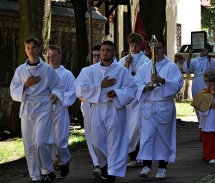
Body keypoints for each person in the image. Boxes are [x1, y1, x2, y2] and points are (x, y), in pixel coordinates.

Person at [75, 41, 137, 183]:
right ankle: (103, 166)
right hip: (96, 109)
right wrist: (99, 86)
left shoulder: (121, 71)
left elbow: (131, 88)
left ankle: (112, 173)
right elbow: (79, 88)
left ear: (113, 52)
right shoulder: (89, 71)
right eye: (103, 50)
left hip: (114, 109)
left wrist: (117, 93)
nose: (104, 53)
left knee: (114, 142)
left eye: (108, 50)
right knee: (96, 142)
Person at [10, 37, 64, 183]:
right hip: (27, 107)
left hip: (44, 107)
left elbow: (59, 86)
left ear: (39, 49)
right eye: (28, 48)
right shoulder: (20, 70)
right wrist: (25, 85)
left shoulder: (47, 69)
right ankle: (35, 176)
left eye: (33, 47)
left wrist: (55, 95)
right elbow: (13, 89)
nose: (31, 51)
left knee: (40, 142)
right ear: (25, 49)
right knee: (29, 144)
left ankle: (47, 170)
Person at [134, 37, 183, 179]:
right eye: (154, 48)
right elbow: (135, 84)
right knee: (147, 135)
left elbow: (178, 83)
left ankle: (162, 166)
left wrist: (163, 81)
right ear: (150, 48)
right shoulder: (144, 67)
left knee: (163, 137)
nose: (156, 50)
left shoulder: (171, 67)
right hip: (149, 105)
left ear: (164, 48)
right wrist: (145, 88)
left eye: (159, 47)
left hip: (164, 105)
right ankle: (146, 165)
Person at [118, 33, 150, 168]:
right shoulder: (123, 60)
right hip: (127, 100)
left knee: (138, 126)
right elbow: (119, 76)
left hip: (139, 97)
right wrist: (126, 66)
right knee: (128, 128)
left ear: (140, 45)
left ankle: (141, 156)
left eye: (136, 45)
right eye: (131, 45)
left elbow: (146, 76)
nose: (133, 48)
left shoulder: (145, 61)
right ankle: (132, 156)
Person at [46, 45, 76, 178]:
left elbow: (73, 92)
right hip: (44, 111)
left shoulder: (67, 74)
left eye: (54, 55)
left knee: (60, 140)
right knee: (46, 141)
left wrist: (59, 96)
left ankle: (64, 160)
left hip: (60, 109)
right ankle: (50, 170)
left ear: (60, 57)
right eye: (49, 56)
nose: (52, 58)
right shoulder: (43, 72)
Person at [79, 44, 102, 180]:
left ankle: (104, 164)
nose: (96, 58)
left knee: (103, 138)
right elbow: (79, 89)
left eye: (98, 55)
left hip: (105, 108)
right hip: (88, 107)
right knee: (92, 137)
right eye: (94, 55)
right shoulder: (86, 71)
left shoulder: (111, 71)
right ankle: (97, 164)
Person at [183, 43, 215, 126]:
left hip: (208, 84)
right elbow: (187, 69)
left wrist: (208, 56)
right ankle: (201, 126)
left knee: (208, 104)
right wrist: (189, 55)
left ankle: (209, 125)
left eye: (205, 49)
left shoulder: (210, 59)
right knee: (198, 104)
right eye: (202, 49)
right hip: (197, 84)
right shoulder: (195, 60)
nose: (203, 51)